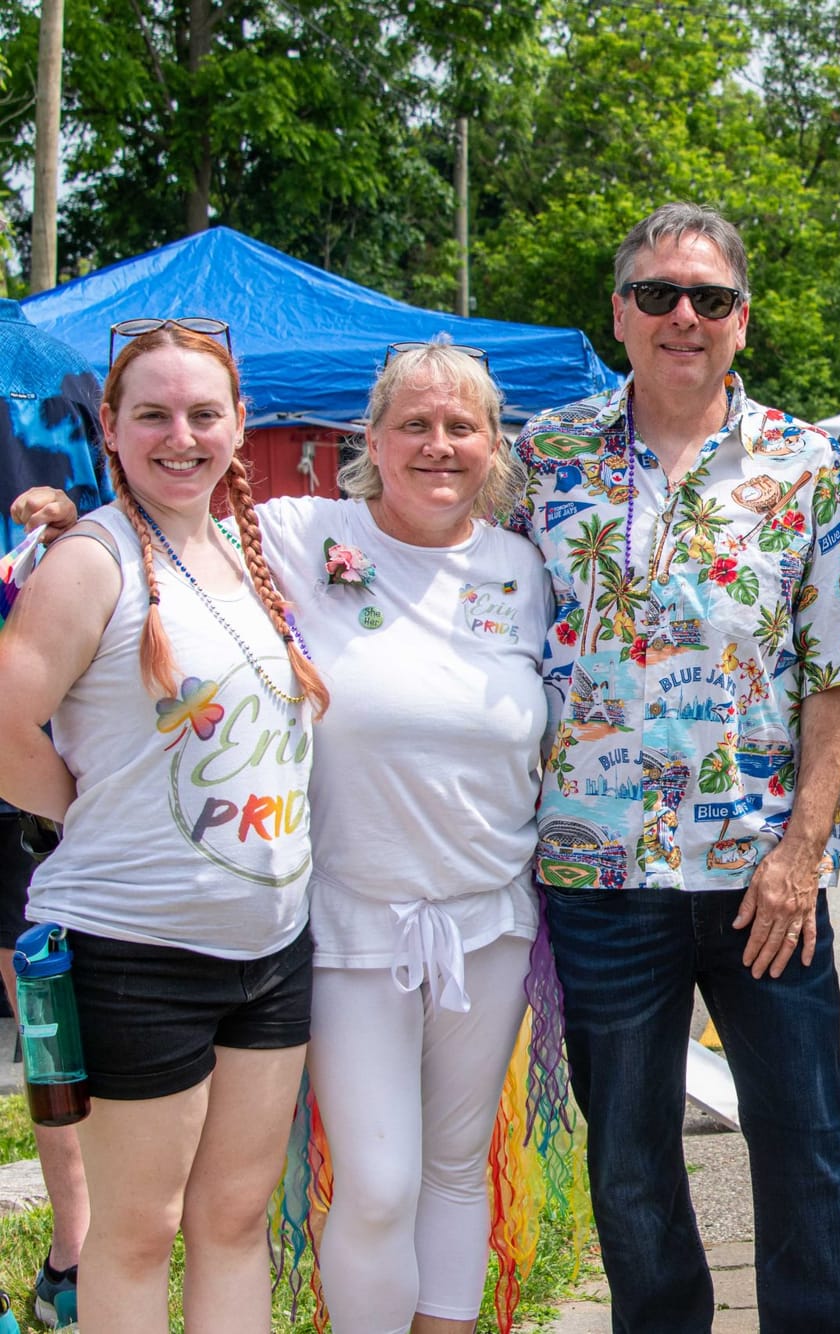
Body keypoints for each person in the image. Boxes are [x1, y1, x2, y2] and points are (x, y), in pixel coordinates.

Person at [16, 341, 559, 1334]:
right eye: (413, 423)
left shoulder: (521, 567)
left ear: (493, 444)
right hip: (305, 928)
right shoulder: (294, 534)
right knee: (351, 1185)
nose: (437, 445)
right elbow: (142, 557)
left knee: (348, 1188)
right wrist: (73, 518)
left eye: (461, 425)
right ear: (372, 439)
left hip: (429, 925)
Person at [509, 202, 840, 1332]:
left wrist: (803, 847)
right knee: (627, 1163)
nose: (684, 315)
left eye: (709, 298)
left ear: (742, 321)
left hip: (759, 873)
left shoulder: (809, 464)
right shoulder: (544, 457)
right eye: (659, 294)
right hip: (595, 872)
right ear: (618, 312)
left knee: (808, 1143)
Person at [0, 319, 327, 1334]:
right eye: (152, 413)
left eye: (202, 412)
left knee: (234, 1221)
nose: (179, 435)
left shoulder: (247, 554)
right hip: (134, 953)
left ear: (238, 424)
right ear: (110, 426)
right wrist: (82, 806)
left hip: (269, 951)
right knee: (136, 1233)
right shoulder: (92, 561)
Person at [0, 295, 103, 1329]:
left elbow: (112, 531)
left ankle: (75, 1255)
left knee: (48, 1013)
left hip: (28, 736)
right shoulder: (53, 356)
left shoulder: (49, 366)